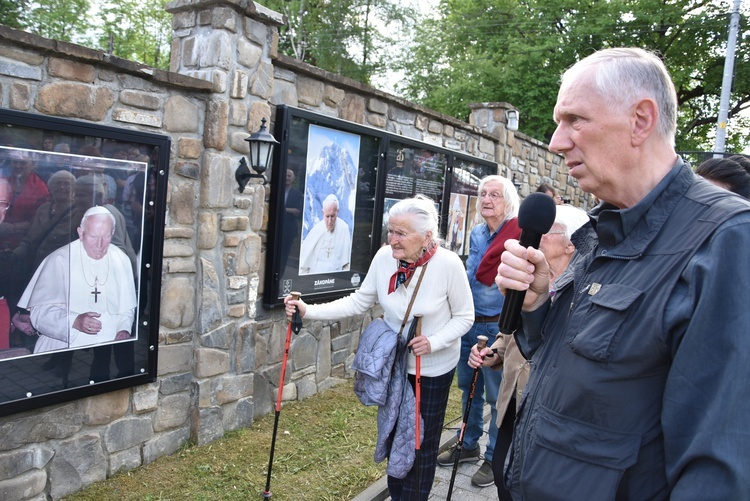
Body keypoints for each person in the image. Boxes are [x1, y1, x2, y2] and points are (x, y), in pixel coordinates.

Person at [485, 47, 750, 499]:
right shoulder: (604, 226)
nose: (555, 141)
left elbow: (716, 471)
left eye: (574, 120)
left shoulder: (727, 241)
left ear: (641, 120)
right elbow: (584, 370)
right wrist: (537, 307)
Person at [285, 195, 474, 500]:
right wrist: (309, 311)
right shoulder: (384, 258)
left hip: (432, 371)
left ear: (427, 236)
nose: (393, 239)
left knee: (420, 445)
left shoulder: (448, 265)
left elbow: (466, 317)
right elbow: (360, 301)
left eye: (401, 233)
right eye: (391, 231)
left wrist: (433, 342)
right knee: (392, 435)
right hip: (394, 367)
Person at [470, 203, 589, 499]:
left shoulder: (581, 290)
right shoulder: (525, 277)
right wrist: (495, 351)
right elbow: (510, 329)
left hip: (546, 410)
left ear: (570, 245)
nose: (532, 238)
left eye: (546, 233)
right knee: (502, 473)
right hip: (512, 400)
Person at [436, 175, 520, 488]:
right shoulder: (476, 233)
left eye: (494, 195)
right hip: (469, 323)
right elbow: (471, 275)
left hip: (499, 327)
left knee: (499, 397)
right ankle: (467, 445)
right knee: (468, 387)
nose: (486, 199)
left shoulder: (518, 234)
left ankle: (494, 457)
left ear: (507, 200)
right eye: (483, 194)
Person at [17, 206, 137, 353]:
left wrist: (123, 329)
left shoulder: (120, 260)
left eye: (105, 237)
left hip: (108, 346)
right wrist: (74, 321)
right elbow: (39, 314)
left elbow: (127, 306)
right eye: (93, 237)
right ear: (81, 233)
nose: (99, 245)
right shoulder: (59, 260)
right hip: (63, 346)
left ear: (112, 233)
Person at [299, 194, 351, 274]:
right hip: (315, 275)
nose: (330, 221)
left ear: (338, 212)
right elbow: (304, 261)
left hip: (335, 276)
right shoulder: (317, 229)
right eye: (327, 216)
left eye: (332, 216)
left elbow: (346, 262)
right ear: (323, 213)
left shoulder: (343, 228)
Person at [280, 169, 303, 273]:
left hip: (289, 230)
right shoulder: (277, 191)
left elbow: (298, 211)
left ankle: (280, 275)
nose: (287, 178)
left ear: (293, 179)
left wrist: (283, 209)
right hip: (276, 227)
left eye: (289, 176)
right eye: (285, 175)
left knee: (284, 255)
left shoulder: (297, 195)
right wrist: (289, 210)